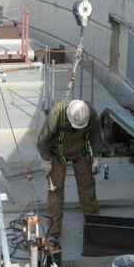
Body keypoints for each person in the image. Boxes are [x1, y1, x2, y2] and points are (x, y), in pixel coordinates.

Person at [37, 99, 103, 241]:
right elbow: (42, 140)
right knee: (55, 189)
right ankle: (54, 228)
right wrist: (46, 159)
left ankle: (93, 221)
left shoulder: (90, 114)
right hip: (57, 153)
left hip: (81, 151)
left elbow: (96, 136)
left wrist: (96, 157)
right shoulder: (56, 114)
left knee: (87, 185)